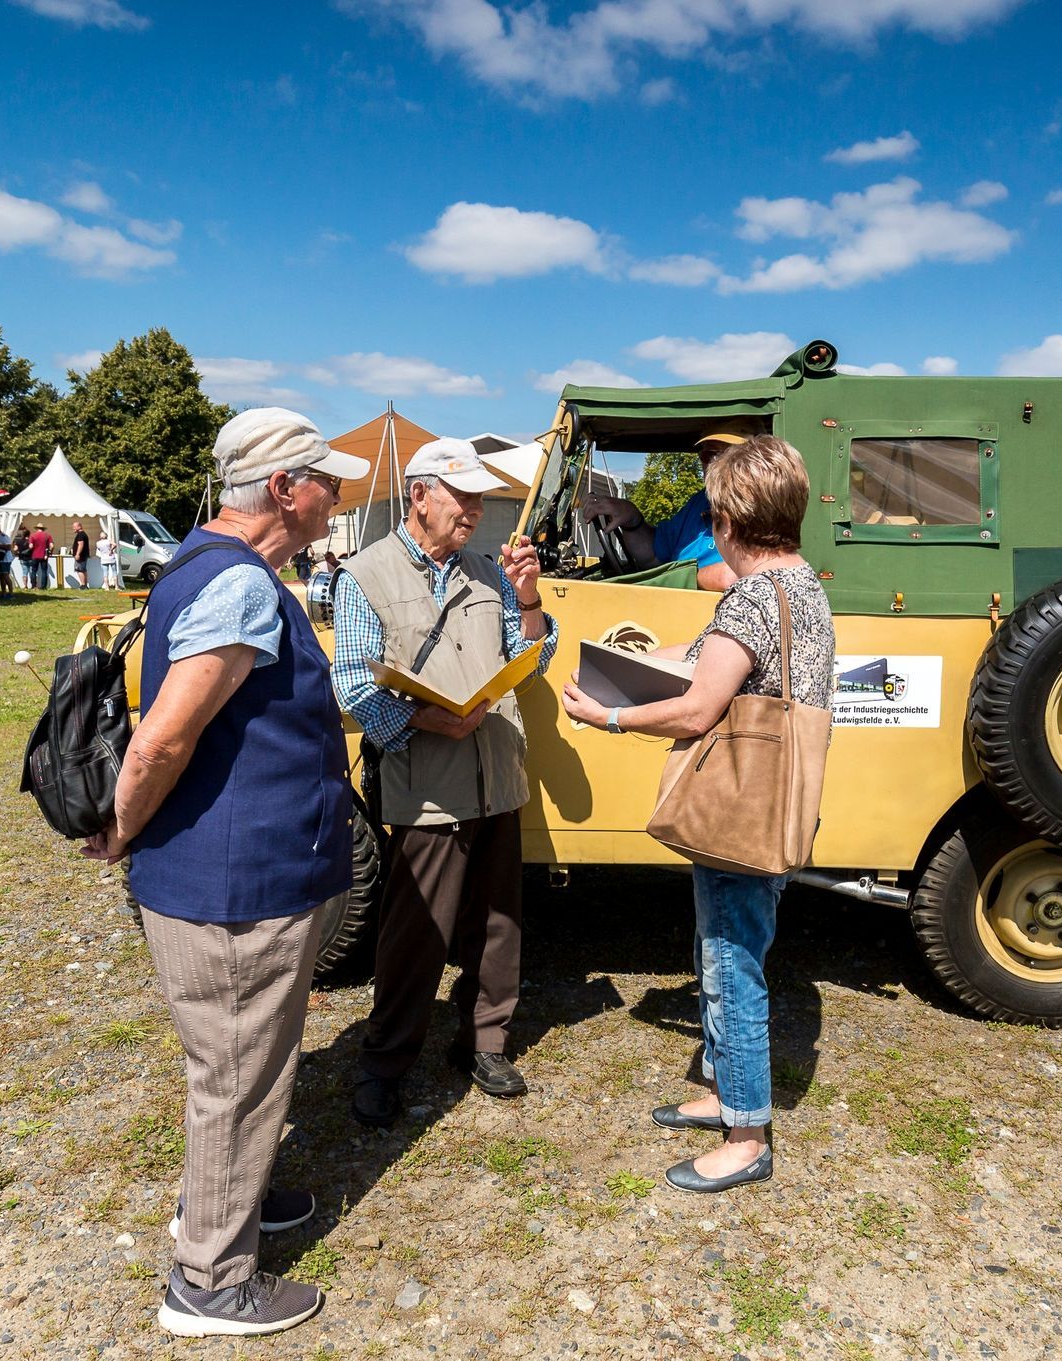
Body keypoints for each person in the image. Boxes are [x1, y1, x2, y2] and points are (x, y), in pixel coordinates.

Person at [81, 407, 369, 1339]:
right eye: (327, 480)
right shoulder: (240, 583)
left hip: (239, 877)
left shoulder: (213, 567)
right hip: (237, 888)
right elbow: (162, 739)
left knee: (239, 1062)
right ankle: (207, 1282)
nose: (338, 495)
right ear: (283, 488)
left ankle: (228, 1198)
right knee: (238, 1074)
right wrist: (120, 826)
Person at [561, 435, 834, 1194]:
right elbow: (712, 654)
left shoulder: (752, 595)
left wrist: (610, 715)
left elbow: (697, 706)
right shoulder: (800, 583)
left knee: (730, 965)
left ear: (729, 519)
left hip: (738, 809)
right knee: (725, 947)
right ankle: (721, 1090)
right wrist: (636, 659)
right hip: (773, 802)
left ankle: (746, 1135)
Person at [331, 438, 558, 1127]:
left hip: (497, 775)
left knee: (498, 922)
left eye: (480, 497)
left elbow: (533, 656)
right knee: (415, 933)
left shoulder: (489, 571)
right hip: (426, 783)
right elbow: (353, 684)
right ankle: (385, 1062)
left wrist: (529, 599)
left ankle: (484, 1042)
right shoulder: (364, 575)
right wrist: (424, 720)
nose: (475, 509)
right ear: (420, 495)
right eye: (462, 496)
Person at [575, 418, 764, 591]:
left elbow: (736, 577)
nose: (709, 464)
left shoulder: (764, 508)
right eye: (706, 456)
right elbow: (654, 557)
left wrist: (678, 579)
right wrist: (632, 519)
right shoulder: (700, 503)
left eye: (718, 455)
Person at [27, 523, 53, 588]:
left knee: (34, 571)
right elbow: (52, 546)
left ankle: (33, 586)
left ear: (36, 529)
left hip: (34, 555)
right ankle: (43, 587)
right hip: (44, 555)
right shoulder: (48, 535)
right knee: (44, 571)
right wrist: (49, 552)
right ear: (43, 529)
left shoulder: (32, 536)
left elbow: (30, 546)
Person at [71, 521, 92, 587]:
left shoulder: (80, 534)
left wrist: (77, 554)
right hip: (83, 555)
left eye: (74, 527)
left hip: (81, 556)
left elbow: (81, 544)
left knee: (80, 570)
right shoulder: (83, 534)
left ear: (79, 527)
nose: (73, 528)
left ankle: (83, 585)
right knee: (83, 570)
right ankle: (85, 585)